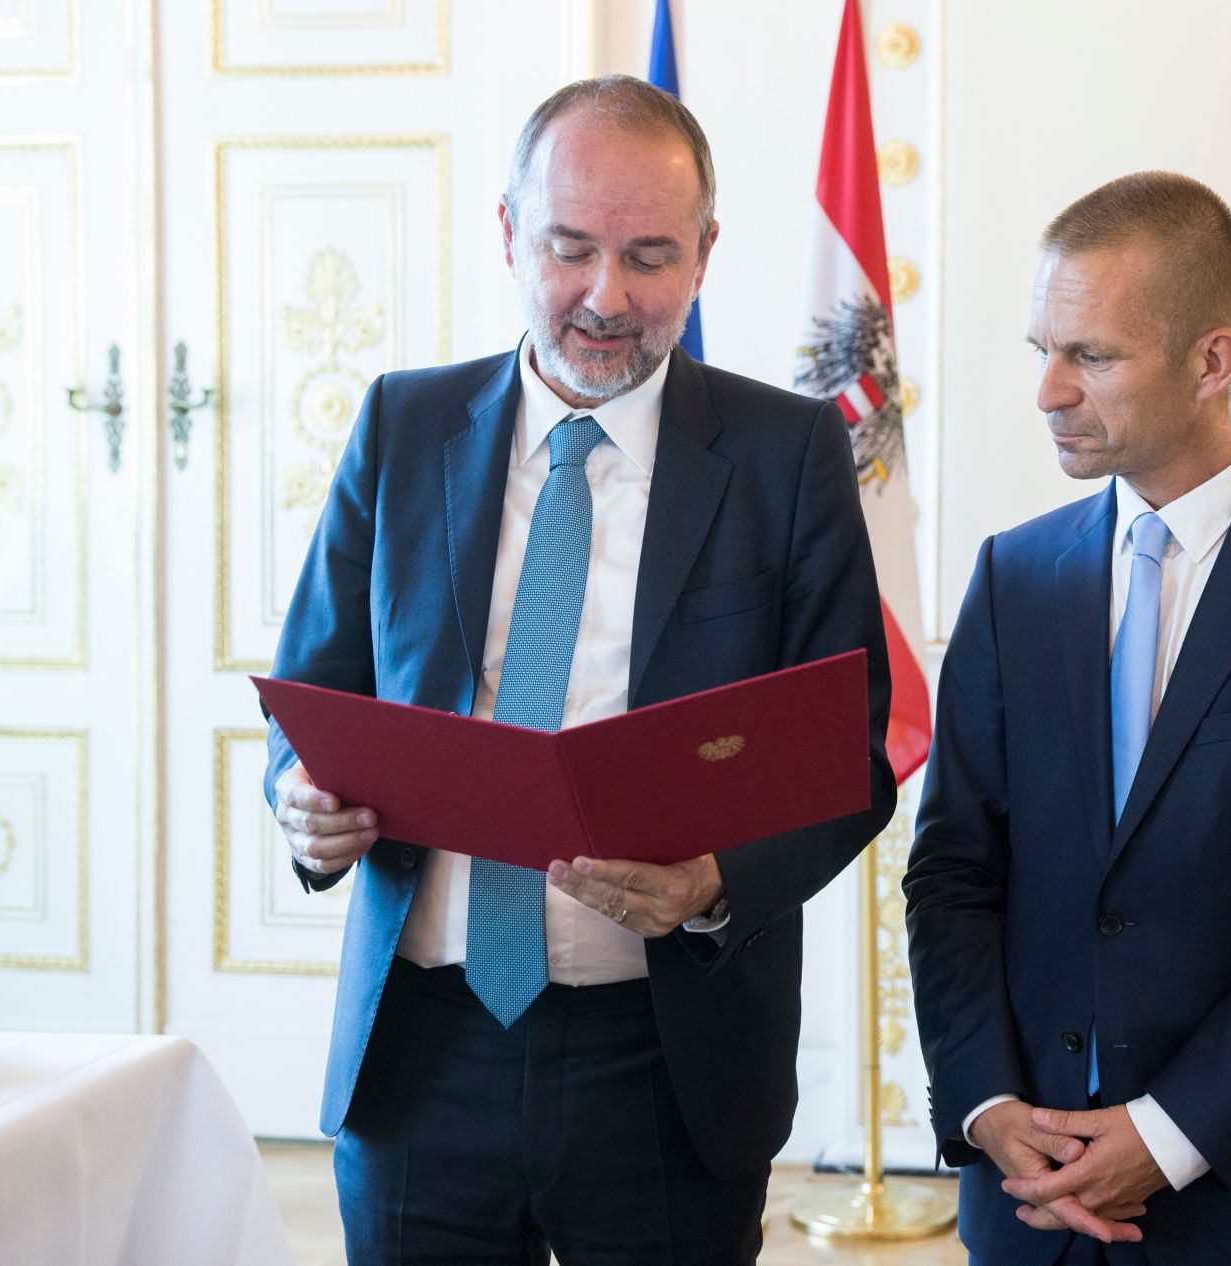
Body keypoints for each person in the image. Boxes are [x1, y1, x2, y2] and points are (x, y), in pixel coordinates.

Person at [262, 75, 895, 1266]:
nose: (606, 298)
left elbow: (851, 761)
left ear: (705, 254)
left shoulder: (784, 457)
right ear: (510, 235)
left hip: (667, 1060)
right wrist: (302, 803)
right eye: (569, 251)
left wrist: (715, 882)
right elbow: (312, 703)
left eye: (650, 256)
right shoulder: (402, 425)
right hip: (421, 1053)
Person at [904, 171, 1231, 1265]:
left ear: (1212, 360)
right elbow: (953, 870)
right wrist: (986, 1109)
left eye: (1090, 356)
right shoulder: (1013, 578)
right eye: (1040, 351)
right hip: (1027, 1209)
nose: (1048, 392)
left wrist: (1164, 1136)